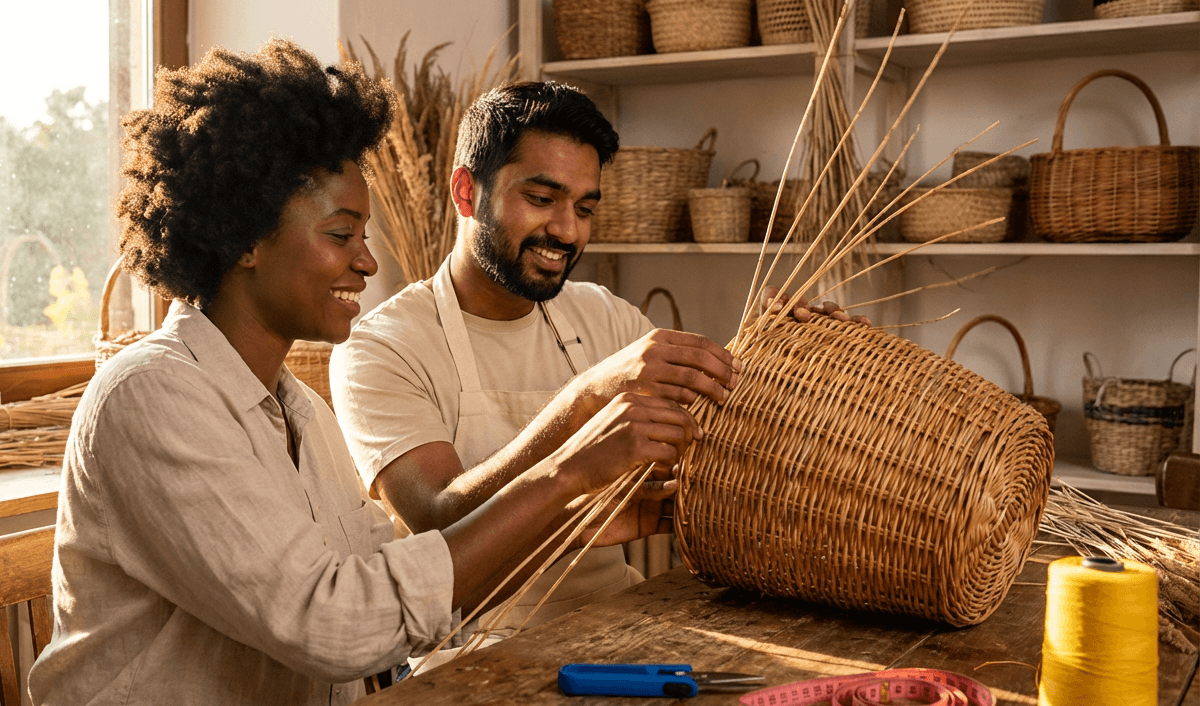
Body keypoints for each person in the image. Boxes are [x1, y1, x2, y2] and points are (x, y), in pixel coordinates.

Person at [15, 44, 693, 706]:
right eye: (341, 235)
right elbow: (335, 625)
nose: (368, 261)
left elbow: (391, 565)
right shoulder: (150, 396)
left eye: (362, 237)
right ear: (245, 238)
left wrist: (584, 514)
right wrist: (567, 472)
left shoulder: (296, 409)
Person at [331, 81, 866, 654]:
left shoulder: (601, 314)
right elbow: (438, 521)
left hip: (620, 626)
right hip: (471, 652)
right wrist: (586, 400)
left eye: (585, 208)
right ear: (466, 191)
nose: (567, 231)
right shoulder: (381, 347)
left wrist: (797, 363)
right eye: (542, 199)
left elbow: (728, 432)